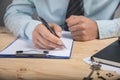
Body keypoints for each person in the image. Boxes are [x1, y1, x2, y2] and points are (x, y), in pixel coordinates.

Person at [4, 0, 120, 49]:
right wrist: (31, 28)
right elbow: (14, 12)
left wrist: (99, 28)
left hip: (98, 50)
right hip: (47, 53)